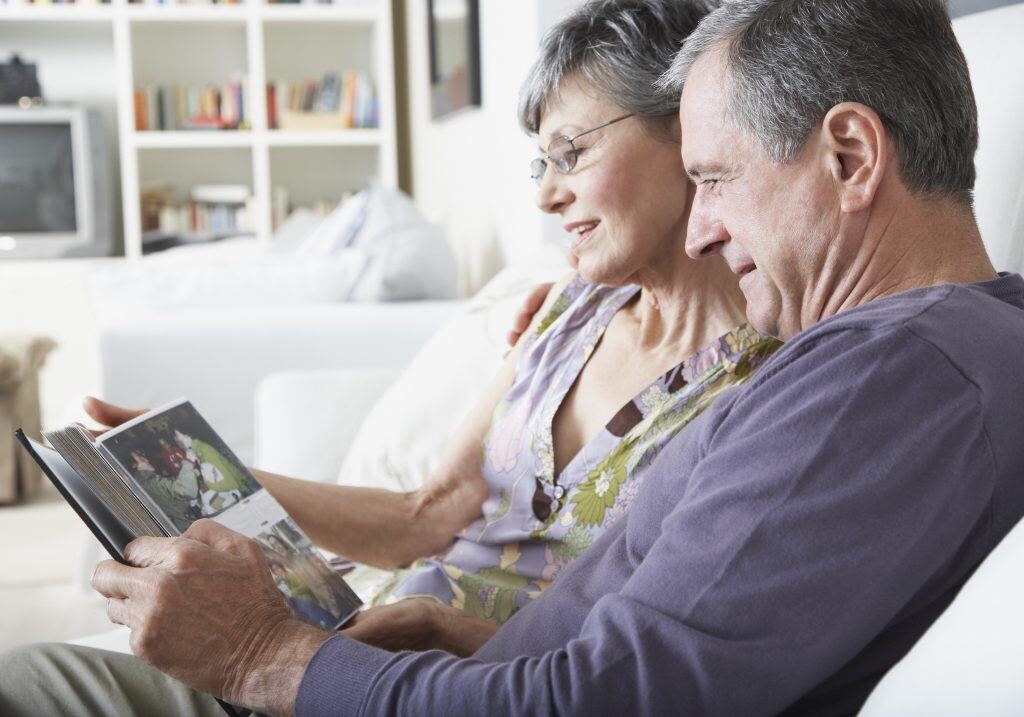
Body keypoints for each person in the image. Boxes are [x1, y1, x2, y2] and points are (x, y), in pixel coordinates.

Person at [4, 1, 1024, 715]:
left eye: (712, 178)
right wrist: (470, 639)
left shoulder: (886, 375)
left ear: (849, 157)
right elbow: (642, 644)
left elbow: (615, 696)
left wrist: (270, 655)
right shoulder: (908, 348)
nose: (705, 227)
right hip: (439, 663)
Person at [85, 0, 776, 637]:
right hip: (352, 637)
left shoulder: (772, 375)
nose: (546, 194)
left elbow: (648, 653)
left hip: (468, 680)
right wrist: (206, 475)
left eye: (573, 152)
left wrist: (444, 632)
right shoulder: (570, 306)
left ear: (690, 126)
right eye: (541, 162)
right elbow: (425, 515)